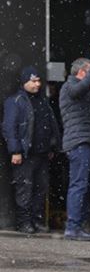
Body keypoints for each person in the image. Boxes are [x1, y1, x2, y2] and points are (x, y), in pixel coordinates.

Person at [2, 66, 60, 234]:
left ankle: (36, 220)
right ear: (24, 82)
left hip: (41, 153)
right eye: (33, 81)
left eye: (38, 81)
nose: (37, 84)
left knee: (40, 189)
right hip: (26, 153)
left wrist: (52, 146)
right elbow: (9, 128)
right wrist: (15, 151)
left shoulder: (42, 101)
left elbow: (49, 125)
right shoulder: (16, 101)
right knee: (24, 189)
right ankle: (24, 222)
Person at [59, 44, 90, 241]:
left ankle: (76, 225)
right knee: (78, 185)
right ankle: (73, 227)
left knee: (81, 185)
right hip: (80, 143)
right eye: (89, 72)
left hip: (84, 142)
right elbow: (82, 87)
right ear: (81, 72)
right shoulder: (71, 87)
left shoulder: (79, 90)